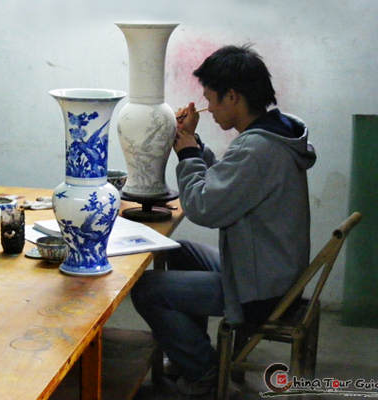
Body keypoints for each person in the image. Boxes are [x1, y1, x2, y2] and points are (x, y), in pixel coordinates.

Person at [131, 44, 316, 397]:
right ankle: (190, 354)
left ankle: (204, 372)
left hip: (261, 289)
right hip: (272, 270)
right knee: (179, 249)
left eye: (212, 99)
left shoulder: (258, 149)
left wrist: (186, 153)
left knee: (147, 290)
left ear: (233, 96)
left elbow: (205, 207)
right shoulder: (273, 132)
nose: (209, 108)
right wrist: (196, 145)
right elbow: (230, 185)